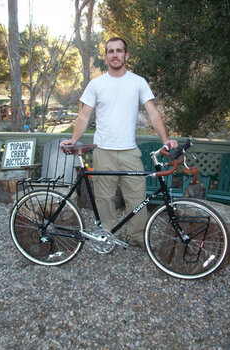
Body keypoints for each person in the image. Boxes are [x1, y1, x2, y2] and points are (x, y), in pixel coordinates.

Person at [60, 37, 178, 248]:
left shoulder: (138, 82)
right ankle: (108, 237)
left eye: (119, 51)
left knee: (137, 198)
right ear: (106, 56)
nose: (115, 55)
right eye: (111, 51)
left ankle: (138, 238)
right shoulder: (96, 84)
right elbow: (84, 116)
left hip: (130, 152)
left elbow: (153, 113)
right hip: (103, 151)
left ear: (126, 55)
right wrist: (74, 139)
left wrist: (165, 140)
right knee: (104, 198)